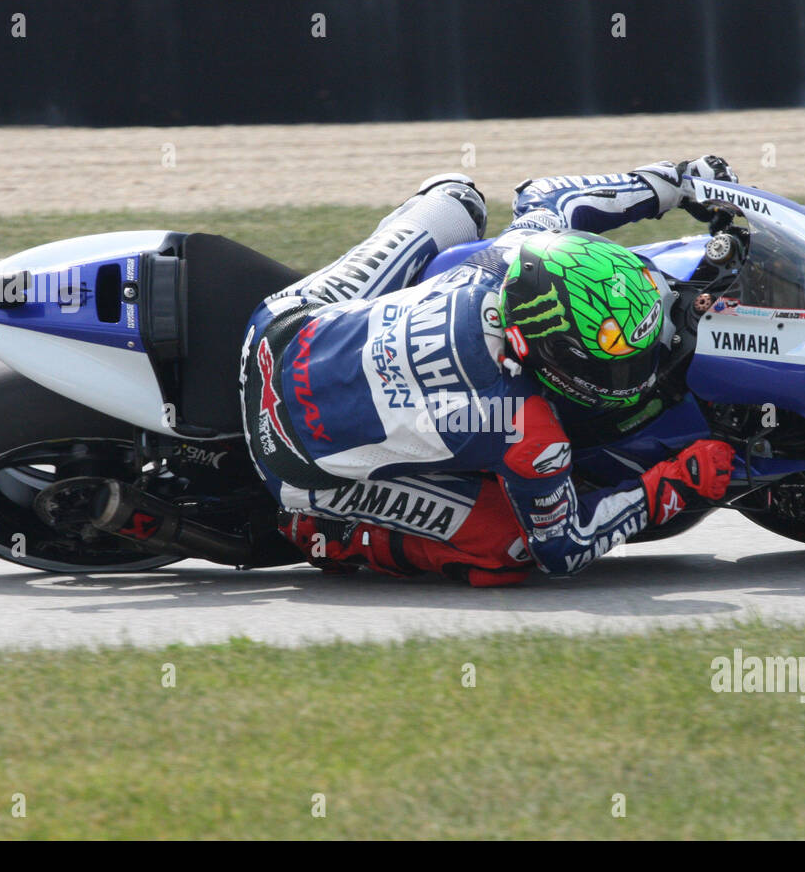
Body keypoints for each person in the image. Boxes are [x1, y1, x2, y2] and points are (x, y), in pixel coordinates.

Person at [240, 156, 740, 586]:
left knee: (455, 197)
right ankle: (333, 533)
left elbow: (547, 196)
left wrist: (676, 182)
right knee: (508, 552)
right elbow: (564, 548)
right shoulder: (528, 429)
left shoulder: (509, 258)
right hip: (292, 463)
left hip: (276, 327)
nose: (635, 368)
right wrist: (668, 489)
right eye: (615, 363)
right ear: (546, 354)